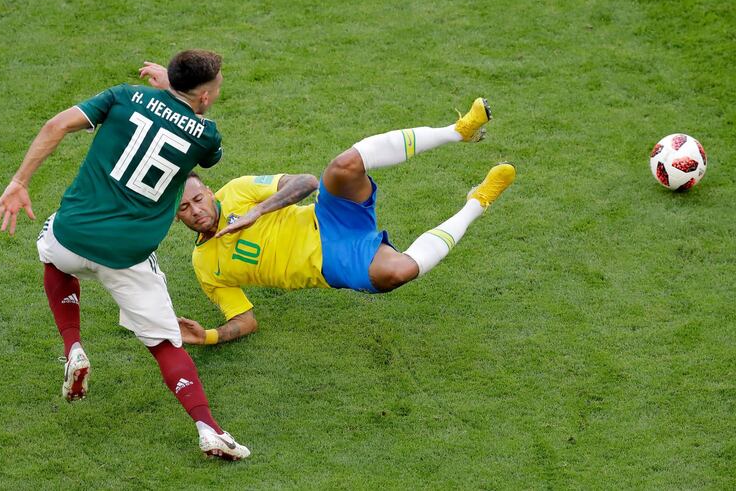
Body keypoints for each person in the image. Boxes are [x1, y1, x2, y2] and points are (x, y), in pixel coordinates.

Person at [134, 59, 515, 345]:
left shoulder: (237, 191)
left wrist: (259, 210)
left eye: (197, 198)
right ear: (176, 218)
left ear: (208, 191)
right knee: (397, 272)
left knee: (344, 165)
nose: (196, 209)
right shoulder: (206, 267)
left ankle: (458, 131)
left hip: (327, 215)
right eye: (184, 209)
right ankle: (476, 203)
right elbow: (246, 320)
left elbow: (307, 182)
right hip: (334, 261)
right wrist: (211, 336)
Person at [0, 50, 250, 461]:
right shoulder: (207, 135)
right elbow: (199, 143)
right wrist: (173, 92)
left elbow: (56, 124)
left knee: (52, 255)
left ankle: (73, 346)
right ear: (203, 96)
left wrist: (20, 181)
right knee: (165, 343)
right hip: (127, 255)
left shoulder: (122, 95)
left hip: (72, 235)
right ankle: (209, 429)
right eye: (216, 87)